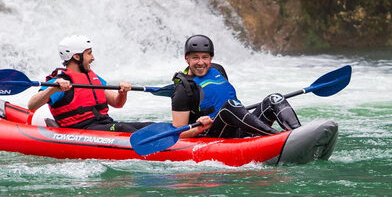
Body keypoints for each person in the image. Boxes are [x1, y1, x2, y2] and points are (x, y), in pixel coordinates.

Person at [171, 34, 301, 138]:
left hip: (242, 127)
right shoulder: (183, 89)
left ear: (211, 58)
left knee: (274, 98)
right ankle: (277, 137)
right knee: (229, 106)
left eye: (205, 57)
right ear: (187, 59)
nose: (201, 62)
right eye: (195, 58)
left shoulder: (218, 70)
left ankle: (298, 133)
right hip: (215, 134)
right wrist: (200, 127)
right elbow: (178, 134)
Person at [27, 35, 155, 133]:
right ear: (77, 57)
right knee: (123, 127)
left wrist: (123, 92)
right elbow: (32, 105)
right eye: (89, 53)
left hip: (103, 124)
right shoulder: (59, 81)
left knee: (151, 126)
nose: (93, 58)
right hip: (81, 130)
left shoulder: (93, 78)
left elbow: (117, 103)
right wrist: (53, 89)